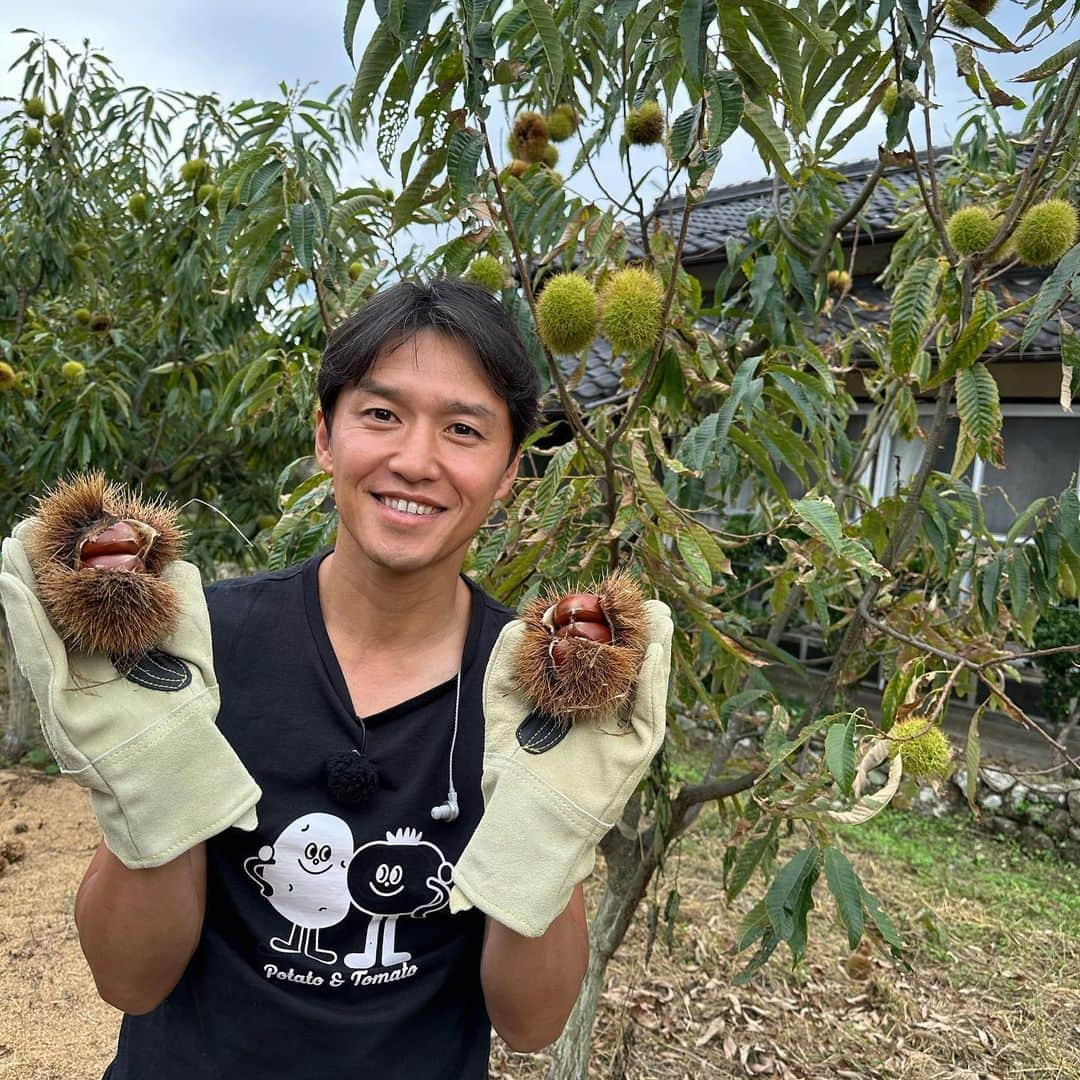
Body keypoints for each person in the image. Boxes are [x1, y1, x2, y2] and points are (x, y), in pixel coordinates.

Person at [0, 278, 672, 1078]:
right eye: (381, 415)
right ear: (325, 436)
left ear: (507, 472)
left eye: (463, 429)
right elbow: (129, 979)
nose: (415, 460)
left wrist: (552, 828)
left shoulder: (533, 699)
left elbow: (528, 1025)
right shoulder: (193, 655)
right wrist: (149, 765)